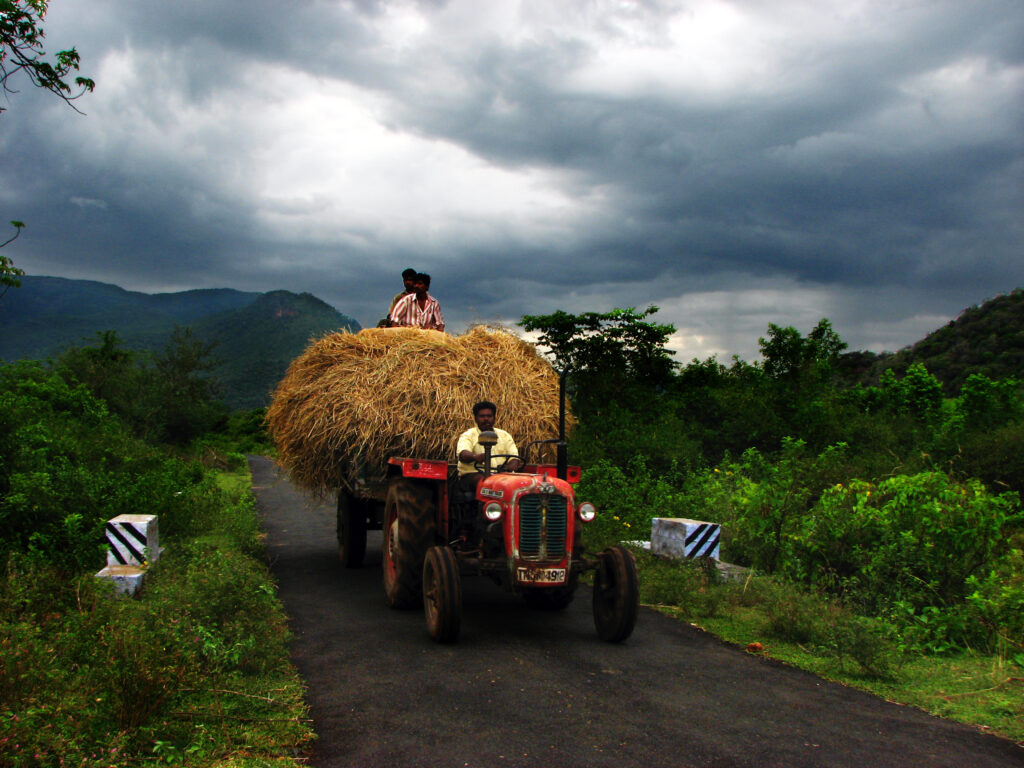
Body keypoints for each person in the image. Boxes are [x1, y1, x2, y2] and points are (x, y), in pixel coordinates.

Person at [456, 400, 523, 495]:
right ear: (475, 418)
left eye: (489, 416)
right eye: (482, 416)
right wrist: (475, 457)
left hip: (501, 475)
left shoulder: (505, 435)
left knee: (519, 485)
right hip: (473, 475)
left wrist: (513, 464)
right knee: (487, 483)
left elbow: (514, 456)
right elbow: (463, 454)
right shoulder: (468, 435)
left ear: (494, 418)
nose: (486, 419)